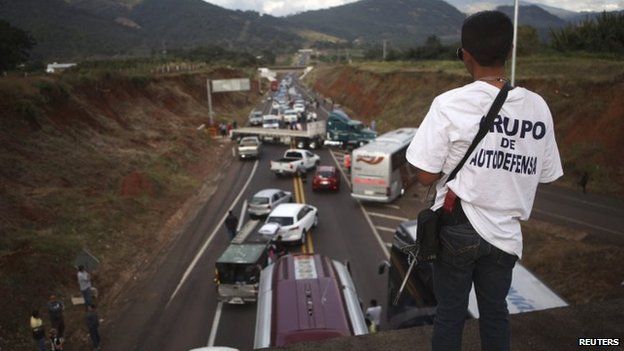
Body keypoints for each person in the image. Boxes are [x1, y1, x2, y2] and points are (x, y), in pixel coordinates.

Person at [405, 11, 563, 351]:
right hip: (505, 233)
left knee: (450, 315)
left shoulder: (449, 104)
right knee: (495, 313)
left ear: (465, 54)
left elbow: (426, 174)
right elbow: (546, 174)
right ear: (509, 50)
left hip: (458, 225)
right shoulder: (537, 107)